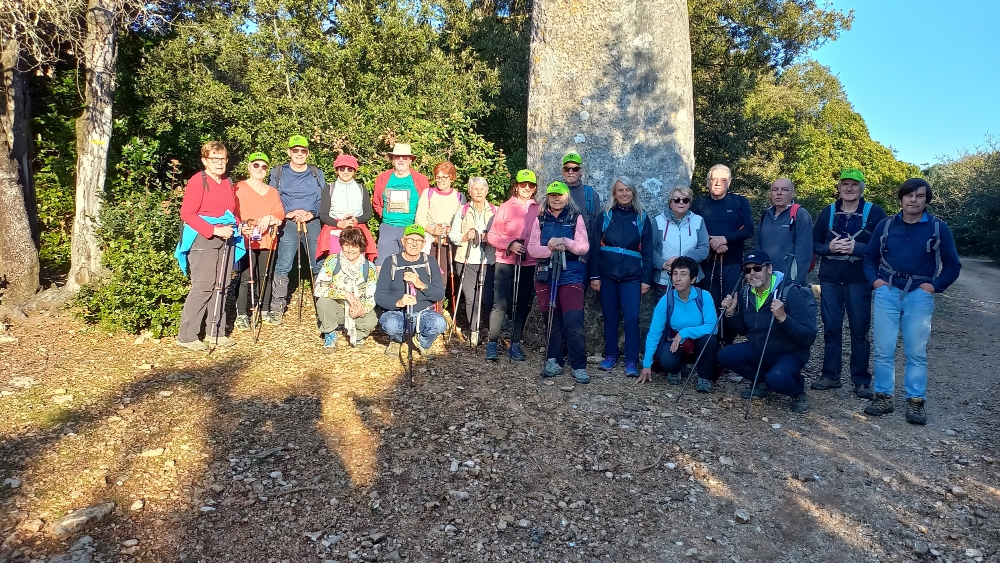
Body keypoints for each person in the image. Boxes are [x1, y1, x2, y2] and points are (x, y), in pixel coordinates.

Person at [862, 178, 961, 425]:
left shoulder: (938, 227)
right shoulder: (886, 225)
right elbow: (870, 258)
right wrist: (875, 281)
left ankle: (915, 401)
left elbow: (953, 265)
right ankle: (883, 397)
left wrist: (934, 287)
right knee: (883, 348)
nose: (913, 200)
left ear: (927, 201)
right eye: (909, 195)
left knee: (916, 351)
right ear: (901, 198)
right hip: (887, 291)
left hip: (919, 294)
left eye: (919, 196)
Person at [811, 169, 888, 398]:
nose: (849, 188)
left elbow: (884, 245)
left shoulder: (875, 212)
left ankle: (861, 380)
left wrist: (858, 248)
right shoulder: (828, 212)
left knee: (859, 330)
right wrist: (828, 248)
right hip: (830, 278)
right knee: (831, 327)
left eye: (854, 184)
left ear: (862, 187)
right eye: (845, 184)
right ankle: (830, 375)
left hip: (858, 279)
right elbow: (814, 242)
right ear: (839, 187)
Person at [718, 251, 817, 413]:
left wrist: (783, 318)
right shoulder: (746, 293)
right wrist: (731, 313)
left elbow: (809, 336)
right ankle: (763, 381)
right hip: (759, 348)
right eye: (747, 270)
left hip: (789, 352)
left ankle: (797, 390)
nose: (752, 273)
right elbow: (743, 330)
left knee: (777, 379)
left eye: (757, 268)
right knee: (725, 355)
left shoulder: (789, 293)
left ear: (769, 269)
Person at [174, 141, 244, 351]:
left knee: (222, 285)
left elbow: (231, 213)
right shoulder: (198, 181)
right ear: (205, 161)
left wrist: (240, 226)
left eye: (223, 159)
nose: (220, 163)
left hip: (227, 238)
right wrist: (214, 230)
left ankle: (216, 332)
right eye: (215, 159)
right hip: (203, 239)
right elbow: (187, 214)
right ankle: (187, 336)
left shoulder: (227, 182)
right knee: (203, 286)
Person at [588, 176, 653, 377]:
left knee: (632, 318)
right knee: (610, 318)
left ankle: (631, 360)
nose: (624, 194)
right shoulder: (605, 216)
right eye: (620, 190)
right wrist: (594, 276)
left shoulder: (642, 217)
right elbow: (594, 248)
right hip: (607, 275)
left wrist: (646, 279)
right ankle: (610, 355)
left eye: (628, 190)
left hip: (632, 277)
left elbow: (648, 252)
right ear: (614, 194)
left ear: (633, 192)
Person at [528, 181, 591, 384]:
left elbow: (583, 247)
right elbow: (532, 248)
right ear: (547, 197)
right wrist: (552, 248)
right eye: (553, 195)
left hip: (571, 274)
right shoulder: (540, 219)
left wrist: (565, 241)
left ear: (567, 197)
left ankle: (578, 365)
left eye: (560, 195)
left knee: (574, 321)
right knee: (551, 320)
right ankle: (553, 360)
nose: (556, 199)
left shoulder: (575, 218)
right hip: (545, 275)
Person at [264, 135, 325, 325]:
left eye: (303, 150)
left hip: (312, 221)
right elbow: (272, 198)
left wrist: (311, 213)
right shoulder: (278, 172)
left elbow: (323, 199)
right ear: (289, 152)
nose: (299, 154)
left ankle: (324, 308)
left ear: (308, 153)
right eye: (295, 150)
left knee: (318, 264)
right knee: (283, 264)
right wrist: (288, 213)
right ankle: (277, 308)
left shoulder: (316, 173)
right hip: (288, 223)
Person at [692, 164, 754, 348]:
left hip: (732, 264)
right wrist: (711, 241)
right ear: (708, 182)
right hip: (706, 264)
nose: (717, 183)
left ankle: (726, 345)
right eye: (713, 180)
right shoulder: (699, 203)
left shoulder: (739, 202)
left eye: (722, 180)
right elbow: (691, 229)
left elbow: (748, 229)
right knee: (708, 304)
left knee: (730, 303)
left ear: (729, 182)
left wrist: (725, 239)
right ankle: (708, 346)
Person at [637, 257, 718, 391]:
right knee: (667, 360)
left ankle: (704, 378)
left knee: (710, 340)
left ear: (693, 279)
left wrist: (684, 333)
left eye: (683, 274)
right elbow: (655, 332)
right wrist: (647, 364)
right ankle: (676, 369)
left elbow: (713, 327)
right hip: (676, 343)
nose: (678, 278)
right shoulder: (667, 300)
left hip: (698, 342)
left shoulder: (704, 296)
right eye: (675, 274)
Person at [485, 169, 540, 361]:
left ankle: (515, 344)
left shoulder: (539, 208)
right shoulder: (505, 207)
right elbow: (492, 236)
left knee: (522, 304)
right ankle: (492, 343)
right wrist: (509, 244)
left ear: (534, 188)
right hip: (506, 261)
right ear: (516, 186)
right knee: (500, 303)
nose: (527, 188)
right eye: (523, 184)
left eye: (531, 185)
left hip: (528, 262)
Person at [374, 224, 448, 359]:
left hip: (423, 312)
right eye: (410, 240)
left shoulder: (430, 261)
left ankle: (422, 342)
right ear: (403, 241)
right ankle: (396, 340)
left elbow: (439, 294)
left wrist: (421, 285)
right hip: (397, 313)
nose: (414, 244)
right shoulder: (391, 261)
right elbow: (379, 295)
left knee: (439, 323)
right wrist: (398, 302)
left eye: (418, 241)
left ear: (423, 244)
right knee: (390, 324)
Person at [234, 152, 285, 331]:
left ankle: (264, 310)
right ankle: (241, 315)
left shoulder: (272, 191)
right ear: (249, 167)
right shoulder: (238, 187)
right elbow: (236, 212)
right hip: (247, 237)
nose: (260, 169)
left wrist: (270, 217)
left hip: (267, 238)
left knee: (266, 276)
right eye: (256, 165)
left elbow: (280, 212)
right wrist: (251, 222)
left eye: (264, 166)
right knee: (246, 277)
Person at [314, 227, 379, 352]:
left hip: (356, 307)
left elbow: (372, 296)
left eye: (354, 246)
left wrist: (362, 310)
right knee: (323, 302)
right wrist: (345, 294)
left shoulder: (369, 267)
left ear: (361, 247)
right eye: (346, 245)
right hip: (336, 308)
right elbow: (318, 288)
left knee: (371, 318)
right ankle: (330, 333)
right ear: (341, 245)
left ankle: (358, 335)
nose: (350, 250)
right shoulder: (332, 261)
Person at [449, 177, 496, 344]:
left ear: (487, 191)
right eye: (475, 189)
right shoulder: (462, 210)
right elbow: (453, 235)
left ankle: (488, 329)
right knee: (471, 298)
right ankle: (474, 330)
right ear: (470, 191)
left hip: (488, 260)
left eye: (482, 189)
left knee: (488, 298)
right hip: (465, 259)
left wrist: (490, 238)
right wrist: (465, 236)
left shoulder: (495, 211)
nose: (479, 192)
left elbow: (501, 234)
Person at [372, 143, 430, 267]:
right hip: (388, 227)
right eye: (398, 157)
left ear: (410, 160)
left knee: (409, 265)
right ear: (393, 159)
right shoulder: (382, 178)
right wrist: (387, 216)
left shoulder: (421, 180)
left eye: (405, 157)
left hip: (411, 227)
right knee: (383, 264)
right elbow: (376, 202)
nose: (401, 160)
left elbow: (427, 203)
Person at [317, 153, 377, 262]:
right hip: (335, 231)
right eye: (342, 168)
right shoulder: (329, 189)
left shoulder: (361, 189)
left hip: (357, 230)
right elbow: (323, 215)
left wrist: (357, 220)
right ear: (337, 170)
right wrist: (339, 224)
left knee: (357, 263)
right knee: (336, 263)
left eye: (349, 169)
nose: (346, 172)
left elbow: (368, 213)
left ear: (354, 171)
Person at [651, 185, 710, 296]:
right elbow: (649, 249)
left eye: (685, 200)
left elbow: (704, 248)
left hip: (690, 279)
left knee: (690, 307)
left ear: (689, 203)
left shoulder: (698, 221)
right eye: (677, 200)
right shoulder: (658, 221)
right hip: (665, 279)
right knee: (666, 307)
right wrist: (663, 264)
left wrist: (681, 261)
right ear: (670, 202)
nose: (681, 202)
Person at [755, 178, 813, 285]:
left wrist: (797, 282)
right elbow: (758, 247)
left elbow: (805, 252)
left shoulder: (800, 214)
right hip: (766, 278)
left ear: (792, 194)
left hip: (789, 279)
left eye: (784, 189)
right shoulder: (766, 215)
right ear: (770, 193)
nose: (779, 193)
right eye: (775, 189)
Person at [415, 161, 465, 256]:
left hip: (451, 243)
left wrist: (453, 230)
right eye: (438, 177)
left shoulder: (460, 197)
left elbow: (462, 221)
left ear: (451, 178)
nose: (440, 180)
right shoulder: (427, 193)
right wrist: (432, 230)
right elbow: (419, 219)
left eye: (444, 177)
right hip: (430, 243)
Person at [560, 152, 602, 233]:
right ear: (563, 172)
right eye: (567, 169)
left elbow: (596, 230)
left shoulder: (591, 195)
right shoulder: (555, 194)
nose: (570, 172)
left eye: (575, 169)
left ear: (581, 172)